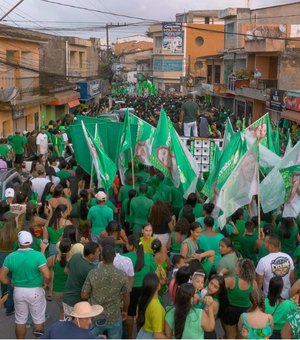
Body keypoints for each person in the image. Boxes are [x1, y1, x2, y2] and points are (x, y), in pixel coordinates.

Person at [0, 230, 50, 339]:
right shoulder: (38, 256)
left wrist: (10, 282)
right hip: (36, 291)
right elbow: (47, 275)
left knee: (20, 320)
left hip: (18, 291)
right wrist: (45, 284)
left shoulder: (11, 257)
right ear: (31, 242)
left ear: (19, 243)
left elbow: (2, 277)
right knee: (38, 319)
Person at [82, 244, 131, 339]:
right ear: (114, 257)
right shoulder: (122, 275)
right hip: (114, 316)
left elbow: (84, 295)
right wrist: (125, 310)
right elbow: (126, 296)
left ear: (101, 257)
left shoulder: (93, 273)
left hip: (96, 316)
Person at [124, 235, 156, 338]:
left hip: (131, 289)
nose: (126, 245)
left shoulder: (126, 257)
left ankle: (129, 337)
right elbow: (153, 272)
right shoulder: (149, 257)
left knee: (130, 313)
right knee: (141, 313)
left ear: (132, 246)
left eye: (127, 243)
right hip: (145, 289)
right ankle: (139, 335)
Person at [222, 258, 257, 339]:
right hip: (245, 312)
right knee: (242, 336)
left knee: (231, 335)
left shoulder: (231, 281)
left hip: (230, 311)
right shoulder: (253, 283)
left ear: (241, 269)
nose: (234, 268)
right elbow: (254, 300)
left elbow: (218, 288)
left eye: (236, 267)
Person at [62, 241, 99, 316]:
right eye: (98, 252)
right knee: (77, 326)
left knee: (68, 324)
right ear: (91, 255)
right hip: (77, 304)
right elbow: (87, 293)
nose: (99, 253)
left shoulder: (76, 256)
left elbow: (66, 270)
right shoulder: (91, 269)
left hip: (66, 298)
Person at [256, 235, 295, 299]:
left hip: (270, 298)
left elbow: (259, 283)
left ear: (270, 245)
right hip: (286, 296)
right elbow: (292, 278)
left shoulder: (263, 261)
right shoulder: (288, 257)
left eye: (266, 243)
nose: (265, 245)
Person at [136, 273, 166, 339]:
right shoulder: (156, 308)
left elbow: (137, 318)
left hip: (142, 334)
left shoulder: (142, 299)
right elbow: (157, 335)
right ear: (158, 286)